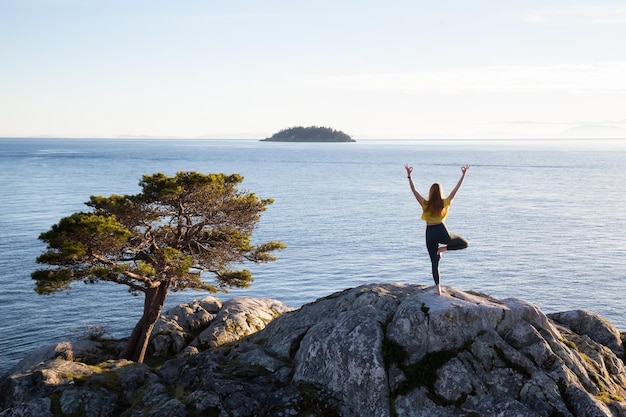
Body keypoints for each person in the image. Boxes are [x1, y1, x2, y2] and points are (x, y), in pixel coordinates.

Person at [404, 163, 470, 295]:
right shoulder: (445, 203)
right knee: (465, 243)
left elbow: (414, 191)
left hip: (430, 233)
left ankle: (438, 289)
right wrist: (463, 175)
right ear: (440, 192)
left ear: (430, 192)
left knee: (434, 262)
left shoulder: (425, 204)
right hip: (442, 231)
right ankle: (443, 249)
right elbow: (455, 190)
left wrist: (409, 176)